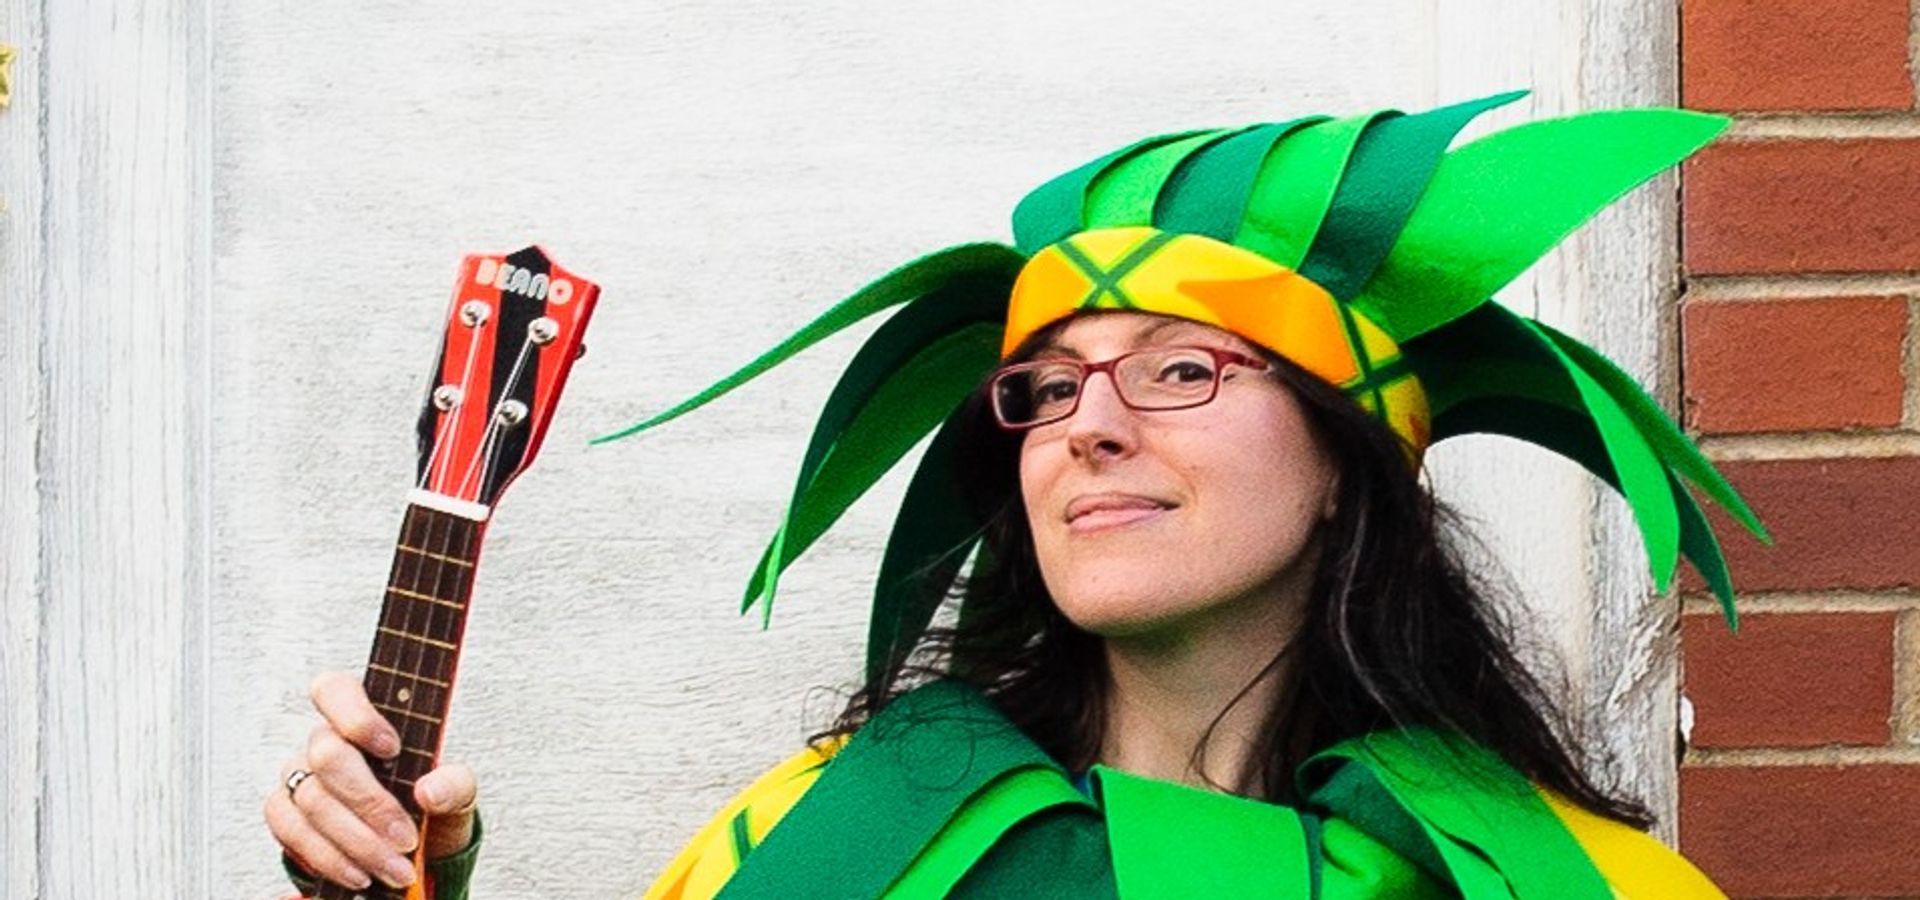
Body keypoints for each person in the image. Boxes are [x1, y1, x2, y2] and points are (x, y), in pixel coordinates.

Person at [267, 92, 1768, 898]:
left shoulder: (1539, 876)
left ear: (1343, 468)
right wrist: (407, 881)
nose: (1084, 427)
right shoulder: (843, 834)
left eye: (1180, 370)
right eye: (1044, 387)